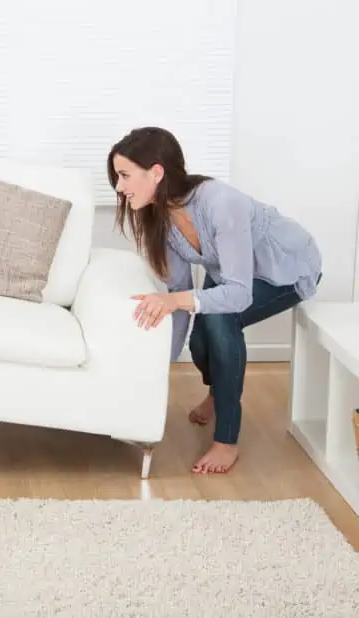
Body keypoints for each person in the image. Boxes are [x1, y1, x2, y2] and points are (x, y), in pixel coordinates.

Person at [107, 126, 321, 475]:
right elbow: (177, 299)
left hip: (286, 270)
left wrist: (175, 301)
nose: (119, 187)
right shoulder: (161, 220)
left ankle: (226, 440)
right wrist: (158, 371)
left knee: (221, 320)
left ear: (156, 172)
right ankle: (218, 391)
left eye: (125, 175)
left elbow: (235, 295)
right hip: (232, 271)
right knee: (200, 340)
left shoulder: (221, 203)